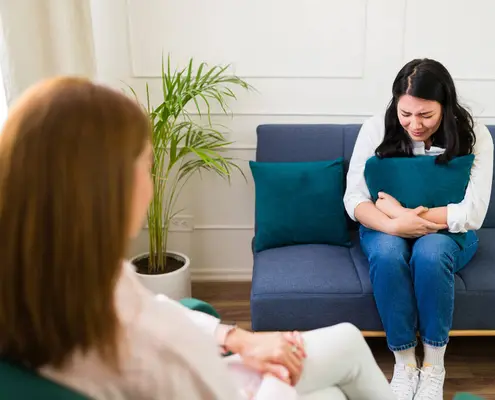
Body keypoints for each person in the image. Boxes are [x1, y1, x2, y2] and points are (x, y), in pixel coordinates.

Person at [0, 77, 398, 399]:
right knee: (334, 374)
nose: (153, 186)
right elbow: (195, 373)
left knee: (335, 371)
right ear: (108, 188)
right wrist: (270, 371)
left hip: (214, 376)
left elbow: (152, 308)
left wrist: (235, 338)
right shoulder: (138, 342)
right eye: (147, 166)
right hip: (227, 387)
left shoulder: (55, 274)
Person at [344, 58, 494, 400]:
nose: (414, 124)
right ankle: (404, 363)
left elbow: (473, 212)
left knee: (430, 253)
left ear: (446, 106)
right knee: (386, 252)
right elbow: (354, 198)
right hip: (386, 227)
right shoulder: (375, 129)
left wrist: (407, 214)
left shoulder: (476, 135)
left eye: (426, 115)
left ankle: (434, 366)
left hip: (449, 232)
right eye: (406, 114)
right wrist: (395, 223)